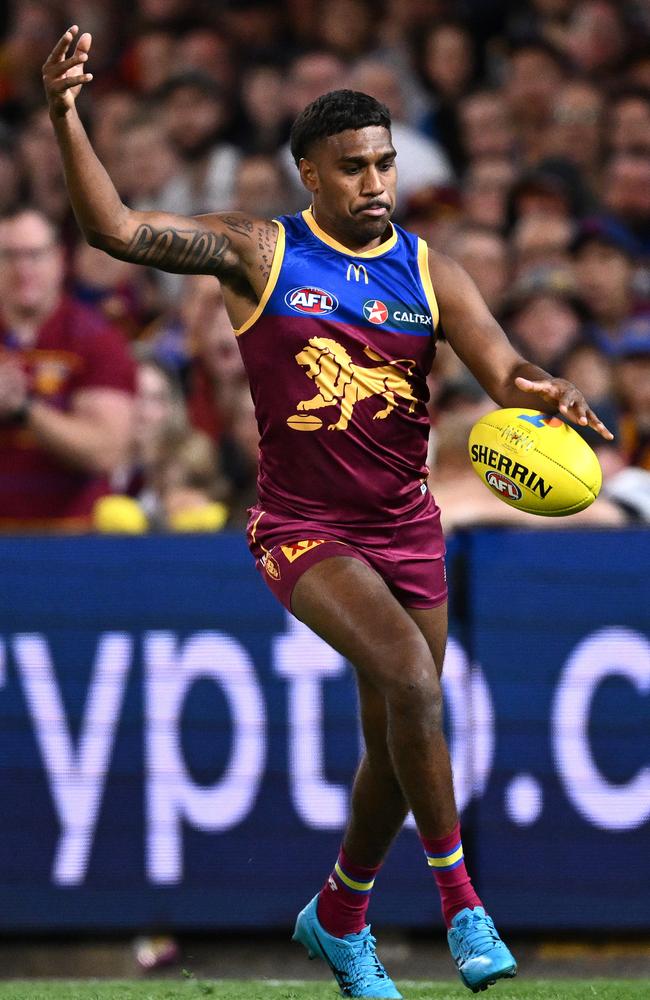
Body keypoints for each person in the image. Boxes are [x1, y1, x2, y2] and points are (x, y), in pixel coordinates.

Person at [43, 25, 613, 996]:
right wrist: (63, 115)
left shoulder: (430, 270)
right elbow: (120, 232)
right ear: (307, 173)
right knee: (408, 679)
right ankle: (460, 902)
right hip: (304, 527)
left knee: (397, 735)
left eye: (384, 162)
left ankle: (339, 913)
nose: (374, 181)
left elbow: (500, 365)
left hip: (407, 525)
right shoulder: (258, 253)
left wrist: (542, 389)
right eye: (352, 167)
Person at [0, 205, 135, 531]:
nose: (23, 269)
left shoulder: (98, 339)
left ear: (59, 259)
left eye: (35, 255)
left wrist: (23, 409)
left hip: (72, 546)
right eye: (9, 256)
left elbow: (106, 451)